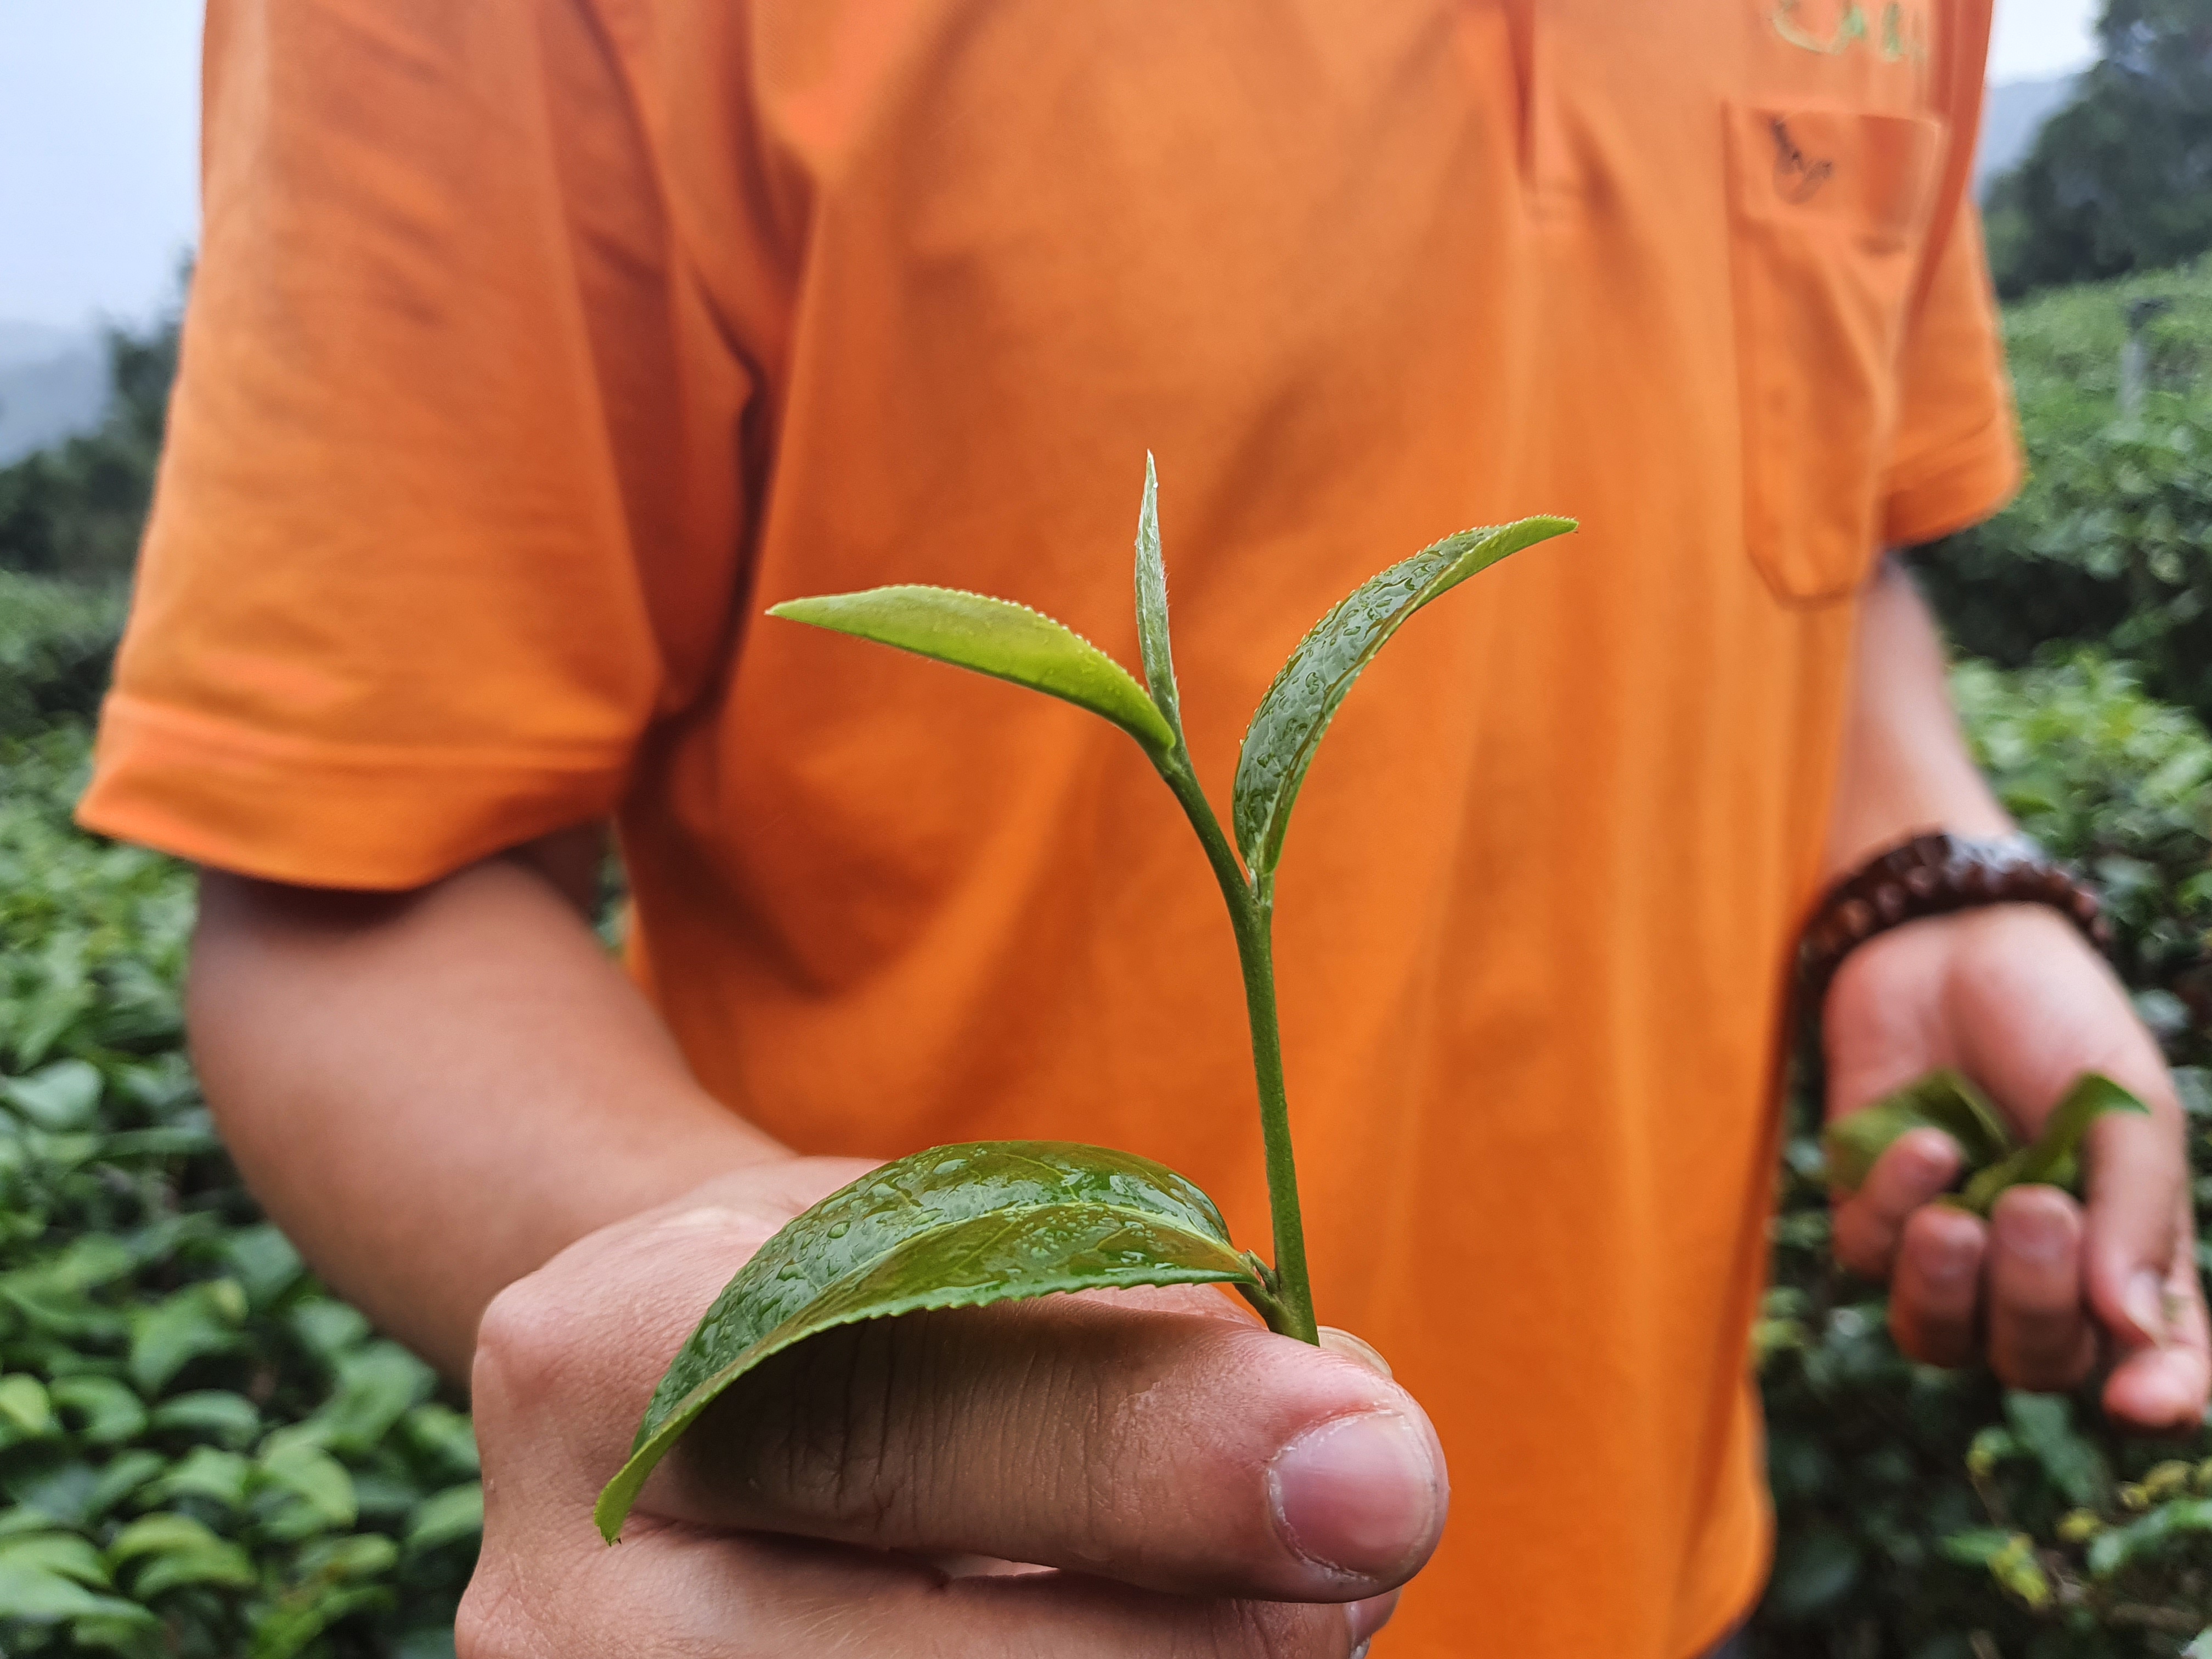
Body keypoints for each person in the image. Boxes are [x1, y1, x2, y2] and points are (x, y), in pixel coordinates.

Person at [79, 1, 2209, 1655]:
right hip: (981, 1623)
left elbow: (1841, 541)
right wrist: (829, 1340)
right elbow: (346, 891)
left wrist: (1927, 870)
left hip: (1669, 1563)